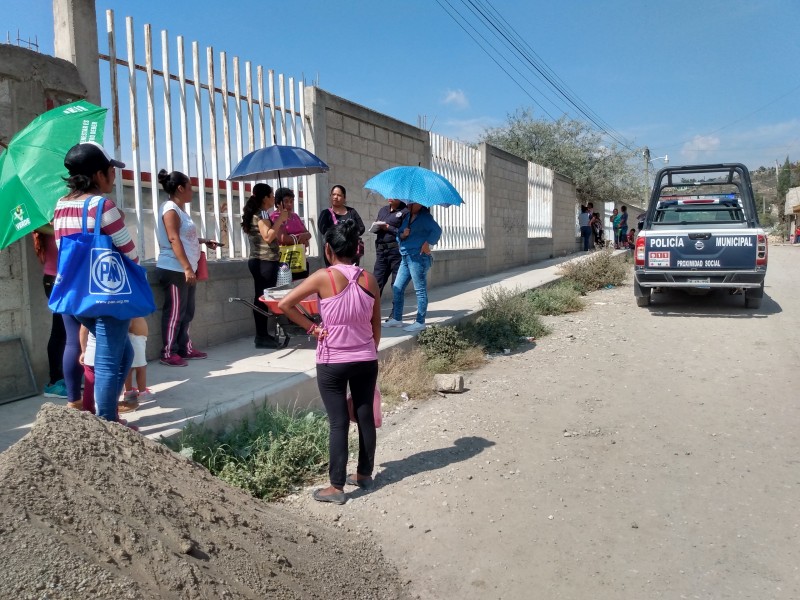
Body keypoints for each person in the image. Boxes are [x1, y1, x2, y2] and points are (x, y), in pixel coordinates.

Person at [277, 219, 381, 505]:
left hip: (332, 360)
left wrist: (313, 328)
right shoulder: (369, 279)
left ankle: (336, 487)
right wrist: (366, 352)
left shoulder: (324, 277)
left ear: (328, 249)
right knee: (364, 417)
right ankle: (364, 475)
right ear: (355, 249)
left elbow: (285, 304)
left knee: (338, 423)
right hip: (366, 358)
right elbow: (376, 328)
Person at [52, 141, 136, 422]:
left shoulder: (61, 206)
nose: (114, 175)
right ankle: (107, 421)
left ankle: (100, 413)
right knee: (110, 362)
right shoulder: (103, 205)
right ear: (99, 174)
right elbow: (131, 252)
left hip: (77, 296)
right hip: (108, 294)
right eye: (111, 170)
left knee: (124, 354)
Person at [155, 169, 219, 366]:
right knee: (174, 312)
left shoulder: (180, 210)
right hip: (175, 269)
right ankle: (168, 352)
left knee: (187, 311)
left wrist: (203, 241)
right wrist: (187, 268)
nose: (193, 191)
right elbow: (173, 238)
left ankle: (184, 348)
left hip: (185, 268)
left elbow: (183, 237)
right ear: (180, 188)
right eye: (190, 187)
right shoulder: (170, 209)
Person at [382, 202, 442, 333]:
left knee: (420, 290)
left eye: (413, 203)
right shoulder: (407, 216)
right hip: (405, 256)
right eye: (409, 203)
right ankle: (397, 319)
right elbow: (399, 234)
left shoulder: (425, 218)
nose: (409, 205)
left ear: (420, 204)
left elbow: (437, 231)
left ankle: (420, 322)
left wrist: (428, 243)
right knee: (397, 287)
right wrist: (403, 235)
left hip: (417, 257)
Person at [241, 183, 287, 349]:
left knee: (261, 298)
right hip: (264, 262)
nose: (274, 198)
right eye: (272, 195)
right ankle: (261, 336)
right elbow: (268, 236)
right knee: (262, 299)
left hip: (261, 261)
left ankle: (262, 335)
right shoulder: (260, 214)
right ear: (265, 198)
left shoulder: (260, 213)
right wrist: (280, 219)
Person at [33, 226, 67, 398]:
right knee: (60, 331)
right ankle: (54, 382)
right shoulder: (44, 226)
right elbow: (58, 232)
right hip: (54, 281)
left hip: (64, 280)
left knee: (68, 332)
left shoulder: (57, 224)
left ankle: (66, 377)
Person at [318, 185, 365, 267]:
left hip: (350, 252)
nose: (335, 197)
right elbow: (324, 231)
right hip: (333, 252)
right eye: (333, 194)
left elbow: (361, 228)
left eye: (339, 195)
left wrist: (350, 234)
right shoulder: (325, 214)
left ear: (344, 198)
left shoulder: (352, 212)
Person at [271, 187, 312, 280]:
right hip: (285, 263)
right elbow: (283, 239)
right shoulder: (275, 218)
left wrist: (304, 236)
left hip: (301, 260)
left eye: (291, 201)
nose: (289, 204)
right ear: (278, 203)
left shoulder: (295, 216)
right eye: (285, 201)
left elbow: (308, 234)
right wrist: (301, 239)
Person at [372, 198, 408, 301]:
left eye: (394, 195)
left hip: (396, 251)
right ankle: (372, 313)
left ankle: (395, 314)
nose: (390, 197)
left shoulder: (405, 211)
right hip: (381, 251)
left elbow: (404, 234)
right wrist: (376, 227)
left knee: (396, 285)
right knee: (376, 282)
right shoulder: (383, 210)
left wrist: (389, 228)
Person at [119, 317, 154, 413]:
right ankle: (142, 393)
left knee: (129, 368)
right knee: (141, 368)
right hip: (135, 339)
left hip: (135, 338)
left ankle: (129, 392)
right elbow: (128, 323)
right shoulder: (130, 305)